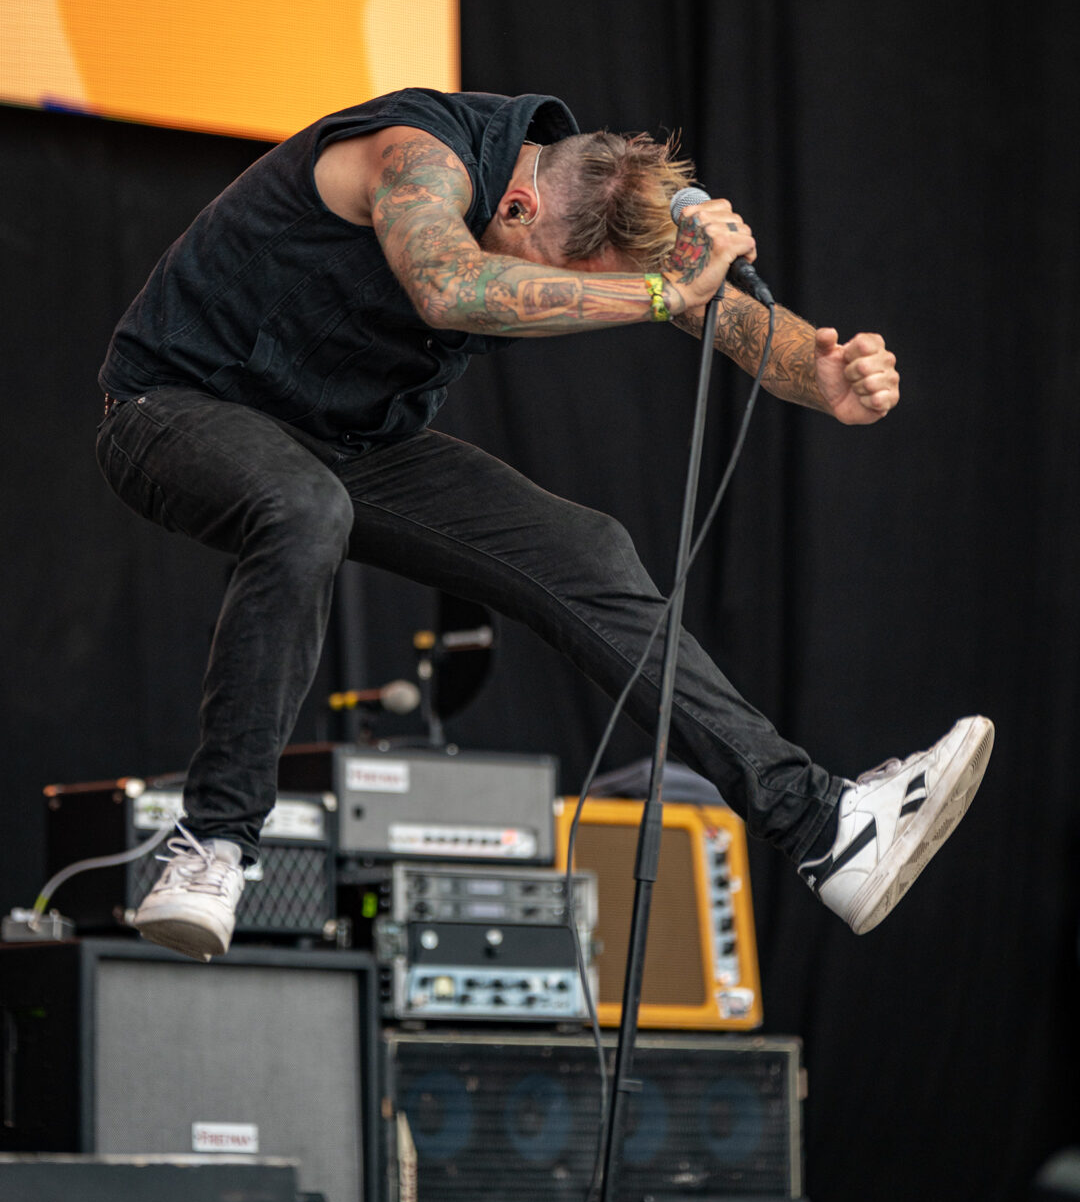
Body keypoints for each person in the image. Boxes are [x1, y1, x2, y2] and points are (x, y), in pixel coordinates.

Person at [95, 87, 993, 963]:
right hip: (171, 409)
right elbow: (453, 287)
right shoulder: (413, 155)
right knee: (303, 508)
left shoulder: (583, 197)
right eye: (567, 282)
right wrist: (659, 294)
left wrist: (816, 374)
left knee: (585, 549)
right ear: (518, 207)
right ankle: (213, 844)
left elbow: (711, 311)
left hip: (348, 442)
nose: (573, 304)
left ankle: (822, 827)